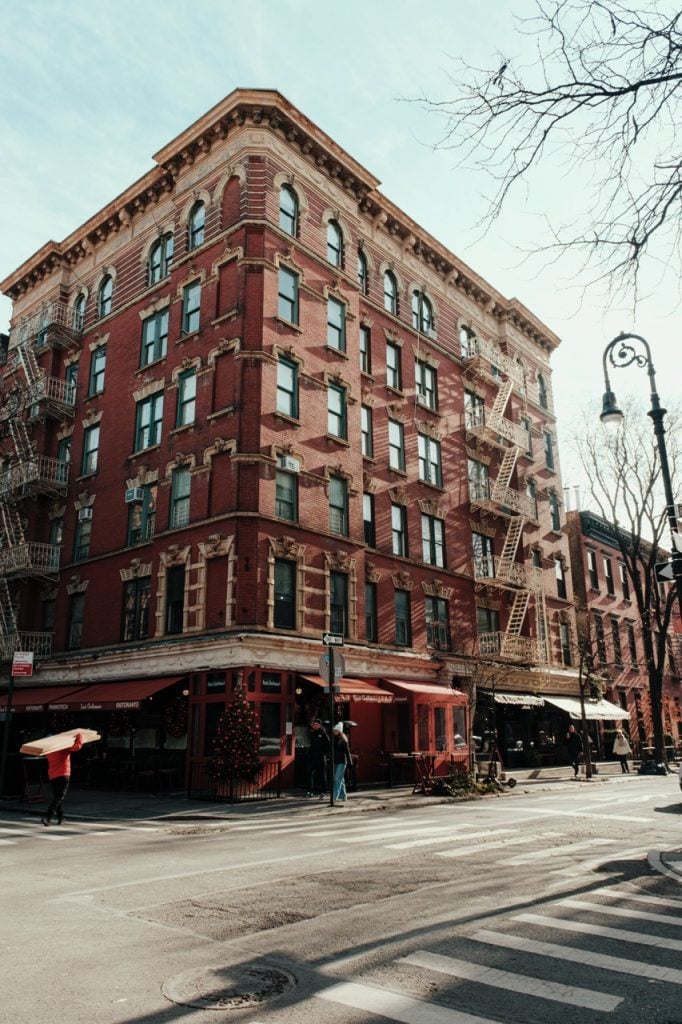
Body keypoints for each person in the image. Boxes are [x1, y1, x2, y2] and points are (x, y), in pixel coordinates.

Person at [42, 733, 82, 826]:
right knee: (59, 797)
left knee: (57, 797)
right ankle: (48, 817)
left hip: (52, 775)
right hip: (63, 774)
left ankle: (61, 817)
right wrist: (79, 737)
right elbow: (77, 747)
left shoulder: (48, 751)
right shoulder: (62, 748)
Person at [307, 718, 330, 798]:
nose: (315, 726)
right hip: (312, 758)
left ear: (320, 725)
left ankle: (323, 792)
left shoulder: (323, 734)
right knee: (310, 774)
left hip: (321, 758)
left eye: (317, 724)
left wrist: (323, 753)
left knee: (322, 776)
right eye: (314, 724)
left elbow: (328, 746)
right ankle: (310, 791)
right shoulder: (312, 733)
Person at [332, 722, 351, 802]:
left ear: (339, 731)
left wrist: (350, 762)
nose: (334, 732)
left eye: (336, 730)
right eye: (334, 730)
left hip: (342, 761)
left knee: (337, 778)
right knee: (340, 779)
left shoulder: (343, 740)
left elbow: (347, 751)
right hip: (336, 760)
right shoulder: (334, 739)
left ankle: (335, 796)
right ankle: (343, 796)